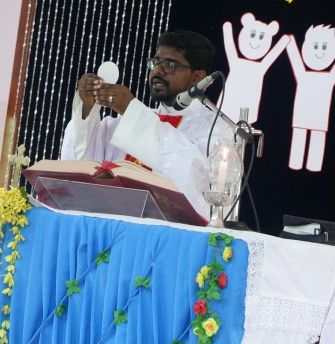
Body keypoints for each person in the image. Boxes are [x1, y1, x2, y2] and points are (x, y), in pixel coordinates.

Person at [60, 30, 230, 220]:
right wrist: (87, 110)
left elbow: (192, 177)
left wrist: (131, 111)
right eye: (155, 62)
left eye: (170, 65)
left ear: (197, 77)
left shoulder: (216, 129)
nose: (157, 71)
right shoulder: (125, 122)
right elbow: (81, 165)